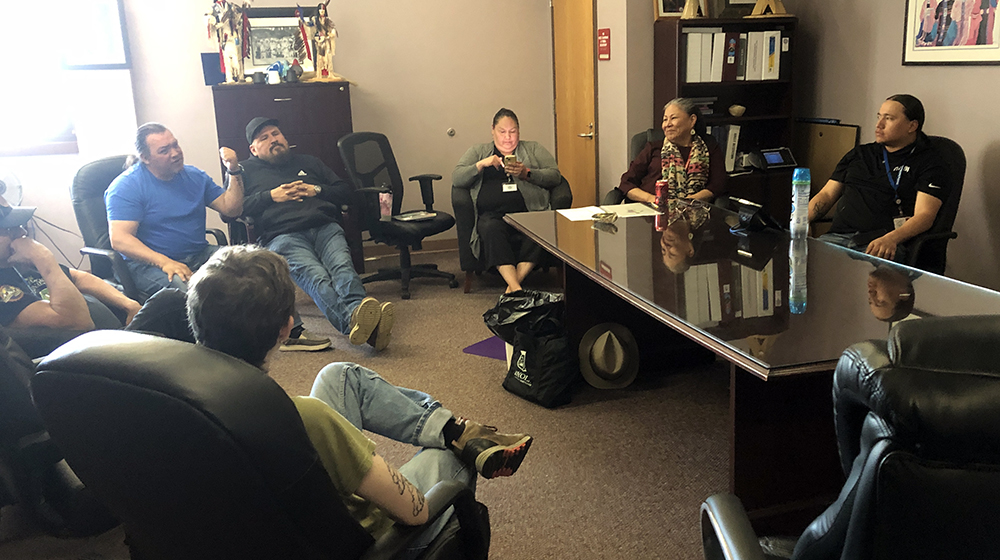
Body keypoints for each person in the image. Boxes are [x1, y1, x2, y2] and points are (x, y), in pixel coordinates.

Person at [185, 245, 533, 556]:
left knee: (340, 376)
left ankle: (454, 429)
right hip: (366, 541)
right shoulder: (306, 418)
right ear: (285, 327)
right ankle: (462, 438)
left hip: (278, 518)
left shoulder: (177, 400)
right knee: (450, 454)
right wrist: (361, 459)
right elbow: (416, 512)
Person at [236, 117, 394, 351]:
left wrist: (316, 189)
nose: (273, 140)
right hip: (283, 235)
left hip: (324, 227)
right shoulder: (245, 171)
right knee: (317, 278)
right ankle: (358, 326)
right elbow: (234, 209)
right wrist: (271, 196)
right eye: (264, 138)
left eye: (276, 133)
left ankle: (363, 323)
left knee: (344, 271)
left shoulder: (309, 162)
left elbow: (346, 192)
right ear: (253, 149)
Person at [807, 94, 951, 264]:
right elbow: (826, 194)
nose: (879, 125)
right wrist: (802, 221)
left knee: (871, 283)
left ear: (912, 126)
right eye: (879, 117)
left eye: (888, 119)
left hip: (882, 244)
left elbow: (925, 215)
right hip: (836, 240)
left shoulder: (930, 162)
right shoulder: (860, 154)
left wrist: (891, 239)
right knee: (801, 269)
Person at [0, 199, 142, 356]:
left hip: (118, 336)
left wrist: (130, 305)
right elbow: (78, 323)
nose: (22, 234)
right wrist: (44, 258)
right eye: (9, 230)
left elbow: (80, 278)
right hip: (91, 357)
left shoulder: (20, 264)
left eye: (20, 226)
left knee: (168, 301)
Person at [452, 108, 563, 293]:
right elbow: (457, 178)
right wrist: (481, 164)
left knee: (540, 230)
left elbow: (555, 176)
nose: (508, 137)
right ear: (492, 130)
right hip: (492, 216)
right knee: (490, 228)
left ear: (519, 132)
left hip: (529, 213)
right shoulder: (478, 151)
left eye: (513, 132)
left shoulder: (533, 148)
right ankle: (516, 289)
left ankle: (512, 289)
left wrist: (527, 173)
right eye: (502, 132)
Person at [615, 98, 727, 205]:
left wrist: (687, 202)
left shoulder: (709, 148)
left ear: (692, 120)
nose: (667, 124)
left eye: (673, 118)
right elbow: (626, 183)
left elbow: (718, 185)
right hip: (650, 213)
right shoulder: (653, 147)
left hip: (694, 211)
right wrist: (653, 199)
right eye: (665, 119)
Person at [311, 1, 338, 79]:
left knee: (328, 57)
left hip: (326, 41)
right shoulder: (315, 20)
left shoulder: (328, 21)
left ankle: (330, 73)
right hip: (319, 42)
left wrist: (330, 35)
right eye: (320, 10)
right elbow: (311, 28)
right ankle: (319, 74)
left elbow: (333, 29)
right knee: (319, 58)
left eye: (323, 10)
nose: (322, 11)